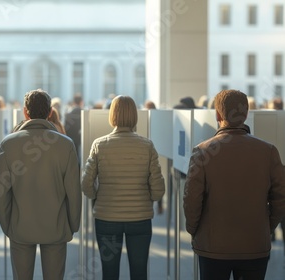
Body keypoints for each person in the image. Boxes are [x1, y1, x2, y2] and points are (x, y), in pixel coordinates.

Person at [183, 89, 285, 280]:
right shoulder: (268, 151)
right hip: (255, 244)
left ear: (217, 115)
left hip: (212, 246)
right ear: (246, 114)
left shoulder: (202, 152)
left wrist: (195, 230)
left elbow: (191, 199)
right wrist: (265, 227)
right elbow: (281, 198)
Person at [0, 89, 81, 280]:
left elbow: (0, 193)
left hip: (20, 226)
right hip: (56, 226)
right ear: (50, 112)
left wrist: (7, 225)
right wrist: (73, 224)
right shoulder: (66, 145)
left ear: (25, 112)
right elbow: (74, 191)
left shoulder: (8, 144)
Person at [81, 95, 165, 280]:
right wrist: (146, 198)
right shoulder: (147, 145)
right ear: (134, 115)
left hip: (107, 218)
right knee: (139, 271)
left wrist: (98, 196)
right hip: (140, 218)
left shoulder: (99, 145)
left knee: (109, 273)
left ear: (112, 115)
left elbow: (86, 184)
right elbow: (159, 190)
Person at [64, 93, 84, 164]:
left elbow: (65, 128)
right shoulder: (84, 112)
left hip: (71, 138)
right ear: (81, 102)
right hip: (81, 138)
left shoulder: (69, 113)